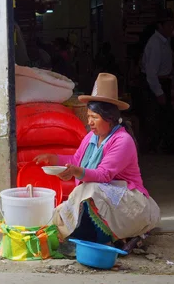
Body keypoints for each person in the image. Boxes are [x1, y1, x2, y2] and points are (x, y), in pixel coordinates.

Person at [34, 73, 161, 250]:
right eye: (88, 117)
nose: (90, 122)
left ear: (109, 118)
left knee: (89, 189)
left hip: (131, 203)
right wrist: (54, 159)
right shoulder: (90, 138)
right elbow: (76, 160)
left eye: (95, 117)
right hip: (105, 196)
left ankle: (100, 238)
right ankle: (84, 237)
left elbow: (103, 174)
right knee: (78, 196)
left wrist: (75, 171)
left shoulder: (122, 141)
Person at [140, 9, 174, 154]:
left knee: (163, 116)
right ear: (160, 26)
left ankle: (163, 145)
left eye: (172, 24)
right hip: (156, 84)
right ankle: (154, 146)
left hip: (163, 82)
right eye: (169, 25)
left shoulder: (165, 41)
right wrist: (159, 92)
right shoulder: (155, 43)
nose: (172, 28)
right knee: (156, 116)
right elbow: (151, 73)